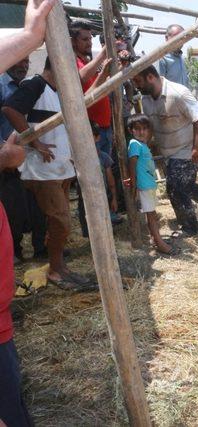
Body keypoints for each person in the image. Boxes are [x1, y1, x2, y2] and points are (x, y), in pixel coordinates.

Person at [0, 1, 58, 424]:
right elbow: (14, 112)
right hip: (40, 169)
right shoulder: (35, 86)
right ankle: (51, 264)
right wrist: (27, 144)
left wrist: (28, 37)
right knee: (50, 221)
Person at [2, 58, 91, 291]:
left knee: (58, 223)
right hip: (42, 170)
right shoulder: (35, 84)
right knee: (61, 221)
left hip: (60, 167)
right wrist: (35, 141)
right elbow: (10, 109)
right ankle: (54, 269)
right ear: (58, 66)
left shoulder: (57, 90)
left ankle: (59, 267)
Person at [131, 65, 198, 236]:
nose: (136, 86)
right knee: (185, 186)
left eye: (138, 81)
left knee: (174, 187)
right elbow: (152, 124)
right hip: (169, 153)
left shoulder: (178, 93)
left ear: (150, 77)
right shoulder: (146, 99)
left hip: (188, 151)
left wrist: (196, 148)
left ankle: (190, 227)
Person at [0, 58, 47, 263]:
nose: (24, 65)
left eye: (27, 62)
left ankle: (40, 248)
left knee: (35, 205)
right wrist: (4, 151)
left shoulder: (27, 85)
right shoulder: (1, 86)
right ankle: (14, 251)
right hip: (8, 158)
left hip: (29, 155)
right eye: (19, 61)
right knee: (13, 208)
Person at [126, 114, 177, 255]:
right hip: (143, 185)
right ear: (131, 130)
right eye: (137, 129)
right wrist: (134, 185)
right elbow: (132, 163)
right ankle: (159, 243)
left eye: (144, 129)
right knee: (151, 215)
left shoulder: (143, 145)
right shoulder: (134, 144)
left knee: (152, 214)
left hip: (148, 184)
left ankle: (156, 240)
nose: (142, 132)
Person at [69, 20, 113, 157]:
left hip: (105, 128)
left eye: (90, 38)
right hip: (90, 130)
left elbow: (101, 87)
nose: (89, 42)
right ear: (72, 41)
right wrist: (103, 54)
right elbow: (80, 78)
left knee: (106, 171)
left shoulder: (89, 61)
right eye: (84, 39)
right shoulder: (71, 61)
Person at [77, 122, 119, 238]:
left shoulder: (103, 157)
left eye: (90, 136)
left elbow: (111, 181)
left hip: (102, 195)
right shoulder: (76, 158)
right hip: (84, 198)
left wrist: (114, 198)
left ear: (97, 137)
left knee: (104, 221)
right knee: (88, 224)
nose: (87, 140)